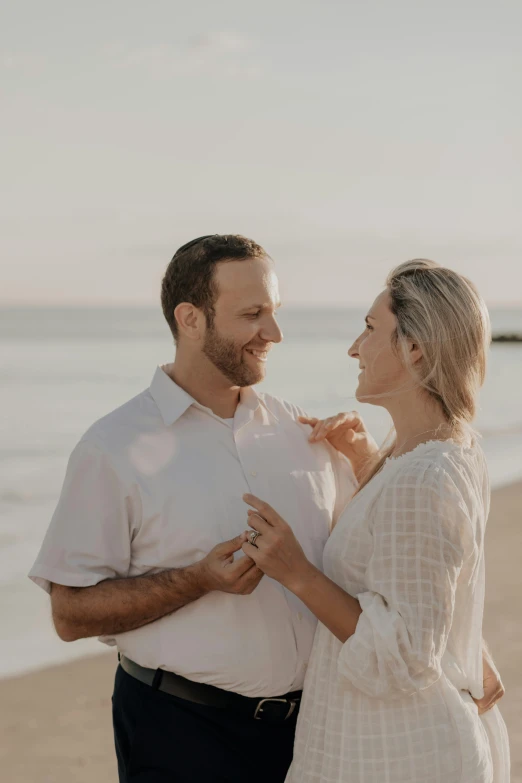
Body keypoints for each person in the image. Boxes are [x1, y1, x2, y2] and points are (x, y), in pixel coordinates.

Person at [28, 240, 503, 783]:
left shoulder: (306, 435)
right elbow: (69, 614)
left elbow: (396, 563)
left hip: (315, 739)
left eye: (275, 312)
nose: (274, 334)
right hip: (182, 733)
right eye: (253, 315)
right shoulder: (111, 447)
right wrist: (198, 579)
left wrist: (459, 637)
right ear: (190, 319)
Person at [239, 260, 510, 783]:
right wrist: (367, 461)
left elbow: (405, 657)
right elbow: (414, 565)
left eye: (369, 329)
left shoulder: (425, 475)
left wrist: (297, 572)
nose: (354, 347)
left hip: (397, 756)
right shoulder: (446, 450)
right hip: (390, 747)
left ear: (416, 349)